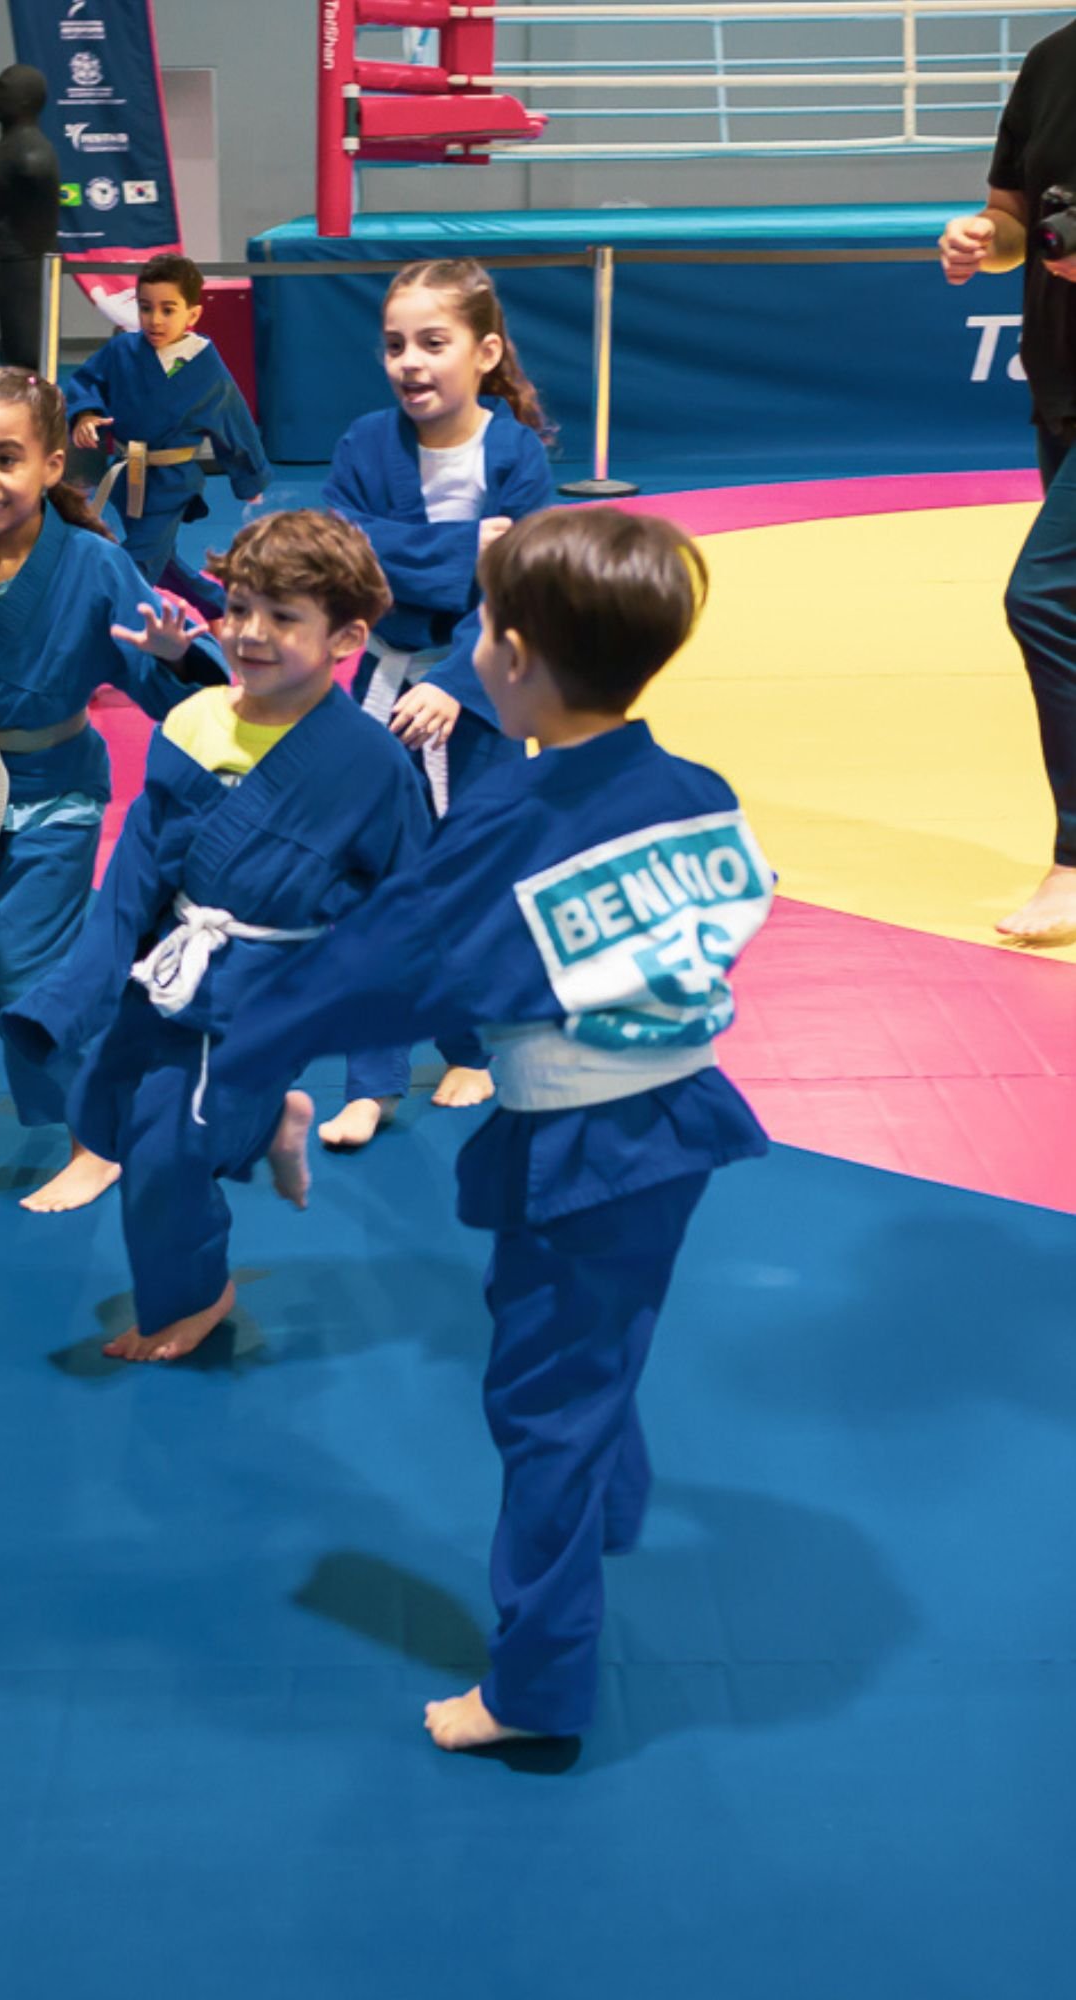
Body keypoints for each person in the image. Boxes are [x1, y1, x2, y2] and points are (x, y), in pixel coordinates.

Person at [209, 508, 775, 1750]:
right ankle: (611, 1502)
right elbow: (733, 905)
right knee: (600, 1336)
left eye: (479, 627)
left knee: (543, 1404)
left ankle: (534, 1689)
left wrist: (241, 1052)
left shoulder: (513, 819)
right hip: (681, 1126)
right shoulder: (696, 789)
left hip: (582, 1149)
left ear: (509, 656)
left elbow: (384, 961)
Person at [0, 510, 431, 1364]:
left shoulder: (369, 762)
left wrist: (379, 1052)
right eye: (237, 608)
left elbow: (407, 901)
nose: (249, 633)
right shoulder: (194, 719)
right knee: (110, 1108)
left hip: (271, 991)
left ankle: (193, 1295)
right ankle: (267, 1119)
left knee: (163, 1152)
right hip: (174, 965)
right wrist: (72, 995)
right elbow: (135, 874)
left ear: (346, 638)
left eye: (282, 616)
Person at [0, 367, 228, 1214]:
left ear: (51, 464)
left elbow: (170, 686)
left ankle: (95, 1140)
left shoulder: (96, 565)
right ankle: (118, 1042)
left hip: (59, 793)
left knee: (30, 964)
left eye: (5, 458)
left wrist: (178, 655)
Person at [321, 257, 554, 1147]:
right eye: (393, 345)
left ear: (484, 352)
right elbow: (344, 557)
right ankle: (371, 1081)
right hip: (382, 685)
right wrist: (464, 550)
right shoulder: (362, 444)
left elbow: (518, 591)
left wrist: (456, 683)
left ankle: (471, 1046)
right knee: (372, 879)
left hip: (485, 692)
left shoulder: (516, 455)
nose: (409, 362)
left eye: (432, 342)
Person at [940, 22, 1076, 944]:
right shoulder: (1051, 60)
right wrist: (983, 238)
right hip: (1061, 380)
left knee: (1042, 597)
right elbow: (1016, 222)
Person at [65, 252, 270, 615]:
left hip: (171, 482)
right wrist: (86, 413)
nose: (155, 320)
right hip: (126, 473)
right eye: (146, 308)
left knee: (140, 561)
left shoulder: (206, 367)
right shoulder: (123, 349)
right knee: (163, 560)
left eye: (168, 309)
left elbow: (233, 422)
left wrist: (249, 478)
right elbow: (88, 380)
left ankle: (104, 617)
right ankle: (219, 607)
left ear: (192, 314)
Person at [0, 65, 59, 370]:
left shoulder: (30, 156)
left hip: (27, 262)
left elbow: (36, 179)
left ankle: (35, 399)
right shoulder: (12, 146)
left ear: (25, 99)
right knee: (17, 352)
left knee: (29, 351)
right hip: (13, 261)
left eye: (1, 89)